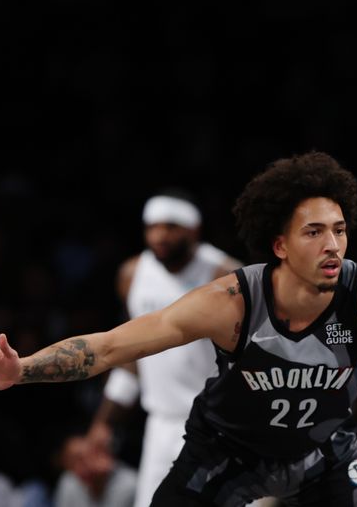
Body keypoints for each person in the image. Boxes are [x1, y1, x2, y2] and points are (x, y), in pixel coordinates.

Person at [0, 151, 357, 507]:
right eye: (314, 232)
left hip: (323, 454)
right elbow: (113, 345)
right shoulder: (231, 302)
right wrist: (21, 370)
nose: (334, 245)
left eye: (339, 230)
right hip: (225, 454)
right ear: (280, 244)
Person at [88, 188, 241, 507]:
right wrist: (103, 423)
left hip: (218, 425)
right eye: (152, 226)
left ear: (193, 230)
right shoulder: (132, 275)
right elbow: (132, 357)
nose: (159, 235)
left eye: (170, 227)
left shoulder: (223, 275)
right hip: (161, 424)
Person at [53, 432, 137, 507]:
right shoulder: (68, 483)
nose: (79, 469)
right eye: (72, 465)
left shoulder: (131, 484)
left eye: (82, 459)